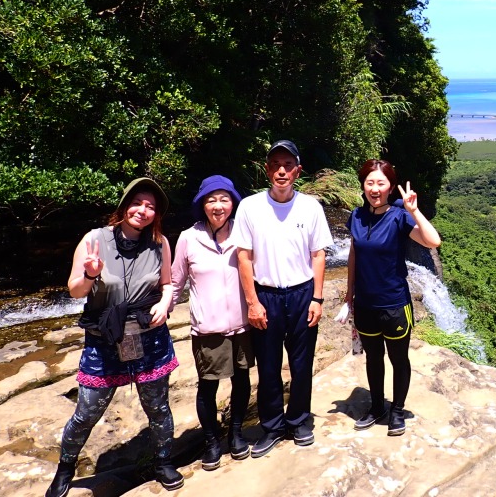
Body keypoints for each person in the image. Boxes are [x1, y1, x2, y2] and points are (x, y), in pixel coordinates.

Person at [46, 178, 182, 497]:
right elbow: (75, 289)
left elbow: (167, 284)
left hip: (149, 337)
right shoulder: (95, 239)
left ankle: (163, 462)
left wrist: (164, 303)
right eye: (138, 203)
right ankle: (65, 469)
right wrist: (91, 273)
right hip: (104, 339)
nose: (143, 210)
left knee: (158, 407)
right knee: (86, 413)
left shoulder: (160, 242)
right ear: (124, 205)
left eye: (151, 206)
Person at [233, 140, 333, 457]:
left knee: (302, 363)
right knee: (269, 365)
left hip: (303, 293)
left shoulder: (311, 207)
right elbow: (244, 257)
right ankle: (273, 427)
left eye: (288, 165)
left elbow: (318, 255)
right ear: (267, 170)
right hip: (267, 295)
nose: (281, 170)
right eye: (275, 164)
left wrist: (317, 298)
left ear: (297, 171)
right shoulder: (249, 207)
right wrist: (252, 302)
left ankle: (300, 421)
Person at [345, 160, 441, 436]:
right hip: (365, 304)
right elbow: (354, 255)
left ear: (390, 187)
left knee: (399, 360)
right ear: (363, 185)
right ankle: (377, 408)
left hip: (395, 304)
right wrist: (349, 295)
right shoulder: (356, 216)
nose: (375, 189)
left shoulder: (399, 217)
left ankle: (397, 411)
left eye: (381, 183)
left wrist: (414, 210)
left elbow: (433, 241)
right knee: (373, 359)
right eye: (370, 183)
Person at [171, 175, 253, 471]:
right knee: (208, 386)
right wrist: (162, 310)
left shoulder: (243, 234)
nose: (218, 206)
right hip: (208, 328)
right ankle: (211, 441)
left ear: (233, 203)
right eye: (211, 200)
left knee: (241, 380)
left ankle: (237, 432)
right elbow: (176, 280)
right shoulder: (188, 238)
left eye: (224, 199)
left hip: (243, 325)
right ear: (202, 204)